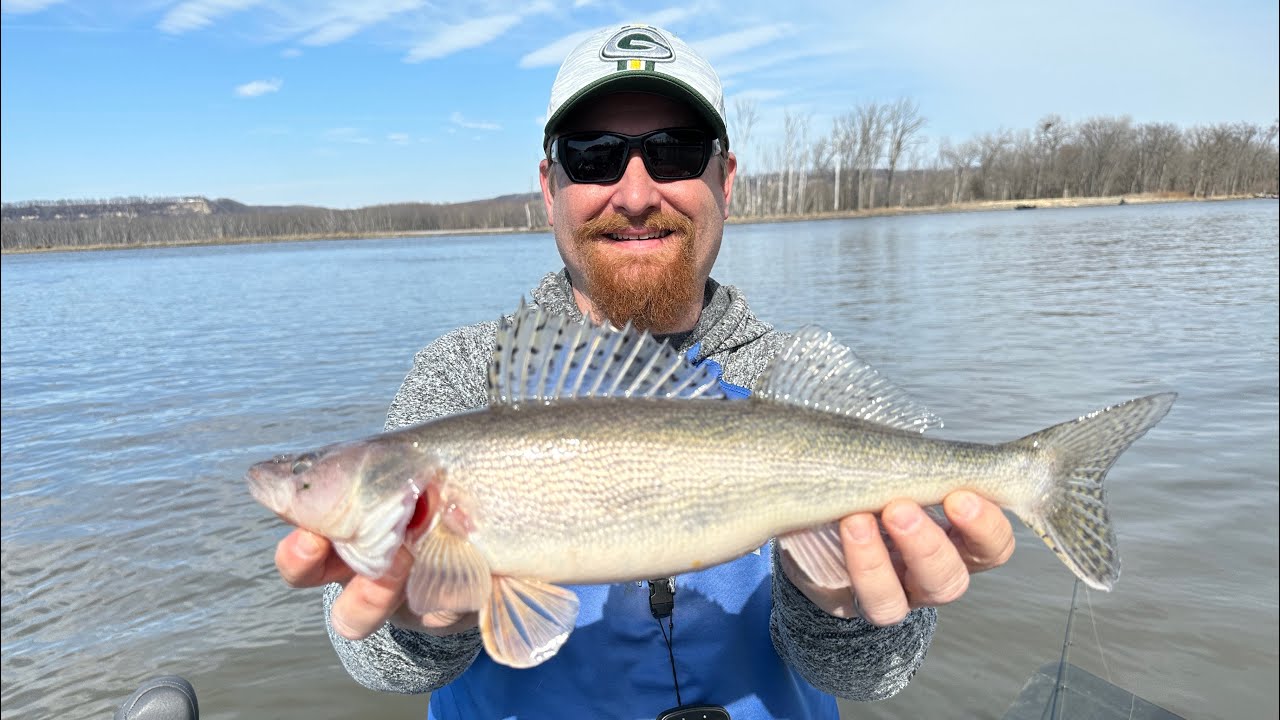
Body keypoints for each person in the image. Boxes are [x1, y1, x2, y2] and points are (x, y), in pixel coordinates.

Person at [272, 23, 1015, 719]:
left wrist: (839, 608)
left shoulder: (790, 376)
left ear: (726, 180)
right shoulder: (464, 376)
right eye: (592, 155)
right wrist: (427, 625)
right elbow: (375, 662)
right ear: (549, 187)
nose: (633, 193)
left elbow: (874, 678)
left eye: (675, 151)